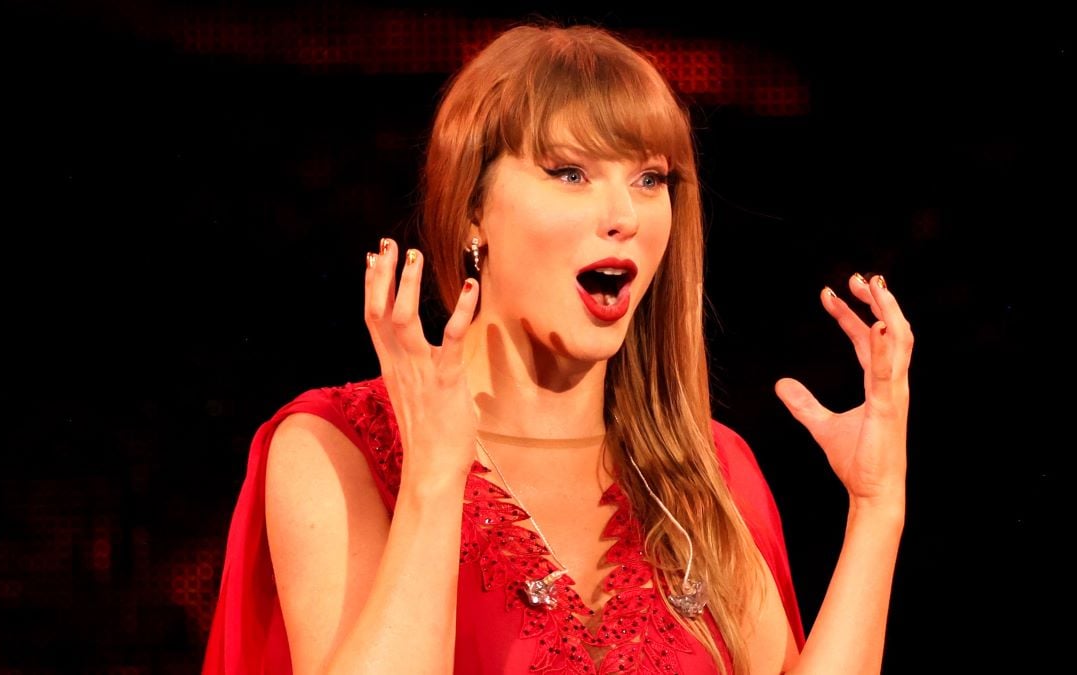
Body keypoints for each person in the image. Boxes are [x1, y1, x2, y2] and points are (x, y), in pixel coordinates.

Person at [202, 21, 912, 675]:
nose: (623, 216)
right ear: (472, 208)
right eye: (570, 173)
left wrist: (876, 508)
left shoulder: (712, 470)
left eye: (650, 179)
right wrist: (434, 481)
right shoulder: (337, 446)